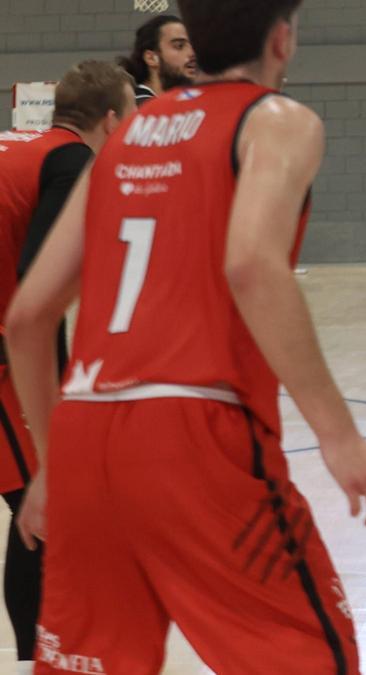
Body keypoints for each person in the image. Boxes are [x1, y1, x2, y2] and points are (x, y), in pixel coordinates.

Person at [6, 2, 366, 672]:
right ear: (283, 38)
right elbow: (251, 264)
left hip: (82, 433)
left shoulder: (126, 137)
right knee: (308, 657)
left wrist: (53, 467)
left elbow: (26, 317)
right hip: (193, 430)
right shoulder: (277, 120)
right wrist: (338, 435)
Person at [0, 59, 135, 675]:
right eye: (133, 113)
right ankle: (37, 657)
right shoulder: (75, 163)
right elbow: (38, 287)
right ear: (110, 121)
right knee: (42, 505)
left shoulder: (24, 144)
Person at [118, 14, 196, 106]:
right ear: (151, 58)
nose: (192, 53)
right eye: (179, 46)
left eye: (194, 45)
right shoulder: (135, 108)